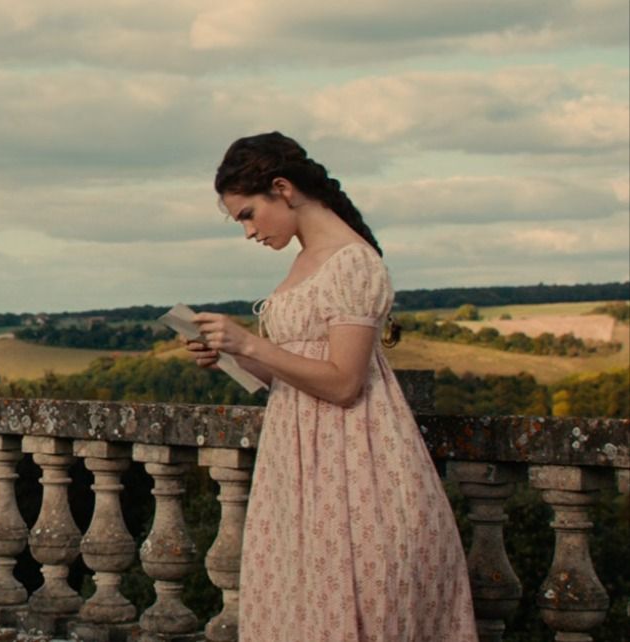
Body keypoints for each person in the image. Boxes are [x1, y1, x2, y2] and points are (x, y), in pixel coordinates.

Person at [186, 132, 478, 642]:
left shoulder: (352, 262)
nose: (249, 232)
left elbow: (344, 382)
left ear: (283, 188)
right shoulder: (305, 260)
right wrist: (230, 354)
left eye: (249, 214)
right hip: (298, 462)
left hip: (354, 460)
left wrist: (250, 344)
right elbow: (294, 370)